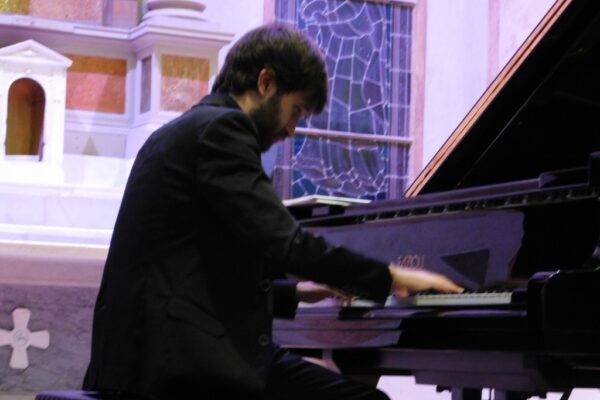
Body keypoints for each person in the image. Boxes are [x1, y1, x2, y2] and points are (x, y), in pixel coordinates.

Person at [82, 23, 462, 400]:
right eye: (295, 110)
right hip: (177, 371)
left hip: (158, 359)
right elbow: (286, 243)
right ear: (265, 82)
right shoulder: (222, 130)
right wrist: (391, 277)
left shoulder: (191, 129)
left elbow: (202, 278)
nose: (292, 129)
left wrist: (299, 292)